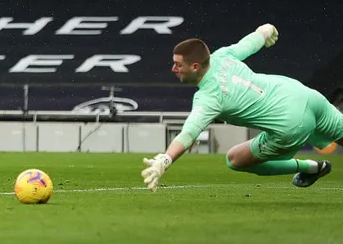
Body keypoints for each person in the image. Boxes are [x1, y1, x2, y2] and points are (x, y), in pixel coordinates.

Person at [141, 23, 343, 192]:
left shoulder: (208, 96)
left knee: (235, 159)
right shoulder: (222, 56)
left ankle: (311, 167)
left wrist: (166, 159)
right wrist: (265, 30)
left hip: (290, 123)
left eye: (178, 64)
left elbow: (189, 133)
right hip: (302, 93)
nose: (173, 69)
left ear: (195, 66)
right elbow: (249, 43)